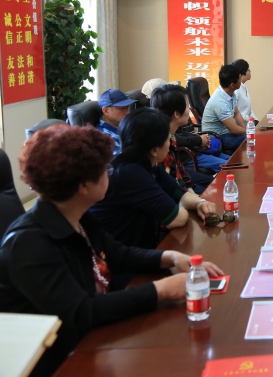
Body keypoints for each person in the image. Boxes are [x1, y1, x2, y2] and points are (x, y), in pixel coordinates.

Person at [0, 125, 222, 377]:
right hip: (58, 362)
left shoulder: (78, 216)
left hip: (94, 341)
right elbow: (81, 312)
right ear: (83, 186)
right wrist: (161, 290)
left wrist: (169, 257)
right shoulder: (29, 244)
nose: (111, 172)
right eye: (105, 170)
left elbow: (118, 254)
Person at [93, 108, 217, 250]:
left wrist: (200, 203)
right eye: (168, 139)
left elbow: (180, 193)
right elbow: (177, 219)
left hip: (142, 247)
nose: (170, 143)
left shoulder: (148, 164)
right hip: (123, 255)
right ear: (154, 150)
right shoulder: (130, 173)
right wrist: (183, 205)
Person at [142, 78, 230, 174]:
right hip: (187, 156)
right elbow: (177, 139)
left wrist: (199, 138)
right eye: (187, 107)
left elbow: (181, 133)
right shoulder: (161, 135)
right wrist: (199, 140)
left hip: (193, 151)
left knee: (233, 162)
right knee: (230, 167)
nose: (189, 110)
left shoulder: (171, 121)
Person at [151, 84, 214, 193]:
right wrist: (196, 199)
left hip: (178, 181)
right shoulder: (159, 147)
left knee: (213, 185)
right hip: (170, 193)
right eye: (187, 106)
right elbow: (171, 188)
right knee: (210, 192)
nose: (189, 110)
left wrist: (191, 191)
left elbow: (180, 170)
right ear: (176, 113)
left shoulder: (171, 137)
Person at [202, 64, 247, 152]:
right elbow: (234, 130)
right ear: (232, 85)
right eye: (239, 79)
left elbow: (237, 113)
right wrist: (250, 131)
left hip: (227, 132)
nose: (241, 81)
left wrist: (246, 130)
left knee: (251, 136)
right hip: (218, 137)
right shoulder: (219, 102)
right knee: (252, 138)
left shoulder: (229, 92)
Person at [96, 89, 137, 155]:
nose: (127, 112)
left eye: (127, 108)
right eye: (122, 108)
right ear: (106, 111)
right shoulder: (103, 137)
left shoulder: (127, 125)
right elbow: (122, 158)